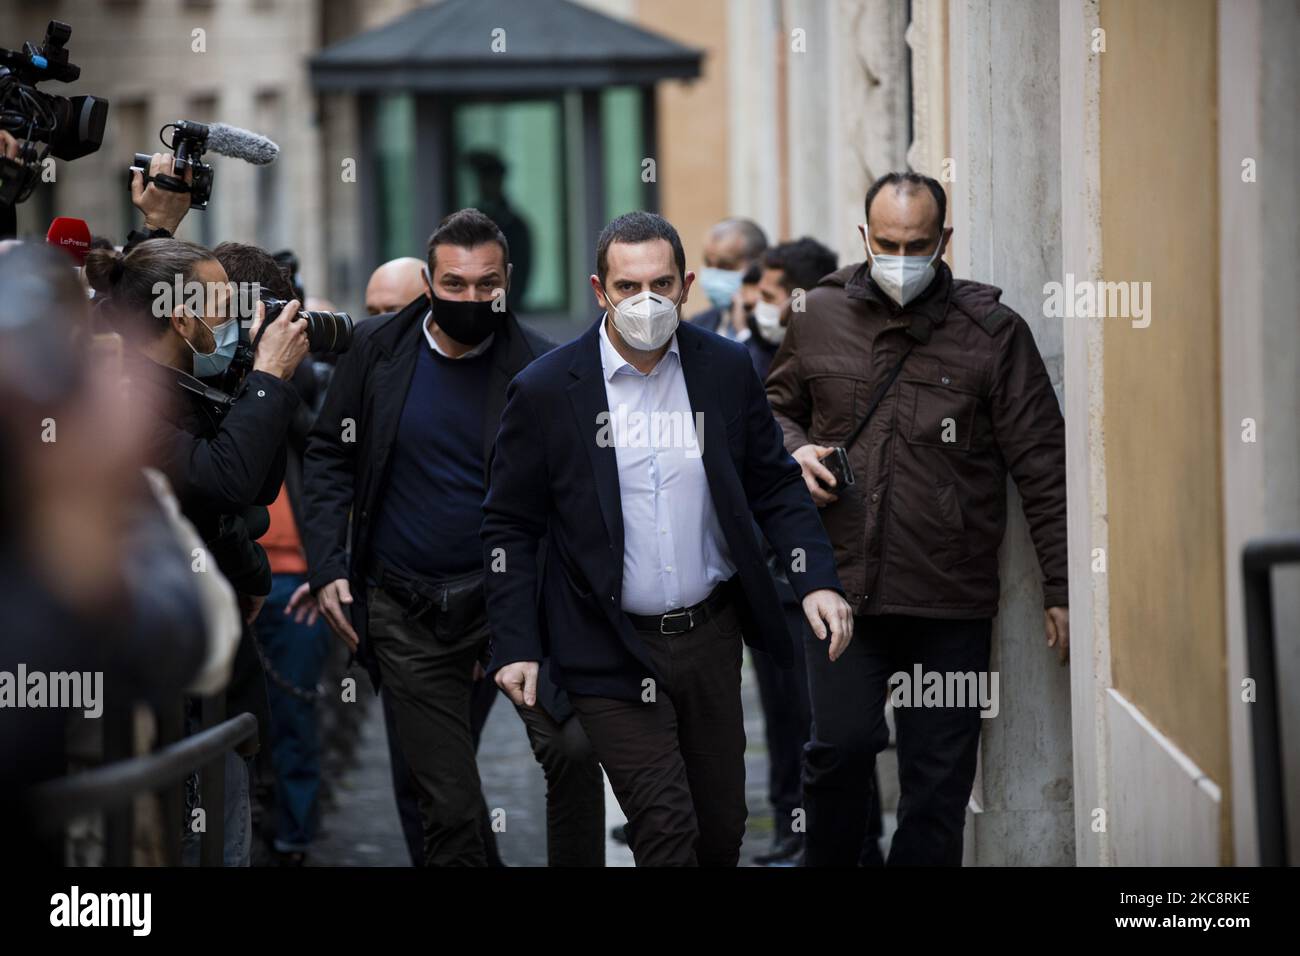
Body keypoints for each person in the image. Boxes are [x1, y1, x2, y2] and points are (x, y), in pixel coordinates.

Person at [483, 211, 852, 867]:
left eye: (660, 283)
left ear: (686, 286)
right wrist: (515, 644)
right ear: (600, 290)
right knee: (667, 832)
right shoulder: (546, 389)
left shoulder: (726, 369)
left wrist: (817, 579)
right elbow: (510, 525)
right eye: (628, 287)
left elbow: (772, 485)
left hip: (710, 639)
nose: (645, 301)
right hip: (607, 646)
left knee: (720, 834)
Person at [766, 171, 1069, 866]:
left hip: (948, 600)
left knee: (937, 784)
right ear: (865, 238)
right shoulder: (817, 312)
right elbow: (771, 411)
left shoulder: (992, 332)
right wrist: (795, 449)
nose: (903, 257)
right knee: (838, 751)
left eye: (920, 243)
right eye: (890, 243)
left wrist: (1062, 589)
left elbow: (1043, 466)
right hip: (841, 592)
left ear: (945, 241)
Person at [299, 208, 604, 867]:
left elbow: (568, 504)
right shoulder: (375, 348)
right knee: (448, 805)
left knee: (573, 749)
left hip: (514, 603)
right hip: (405, 614)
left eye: (487, 283)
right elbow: (327, 455)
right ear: (430, 282)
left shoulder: (543, 370)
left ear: (508, 281)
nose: (472, 298)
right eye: (456, 284)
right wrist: (326, 567)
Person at [84, 236, 311, 866]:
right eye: (221, 306)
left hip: (207, 682)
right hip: (167, 686)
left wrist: (251, 381)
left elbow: (249, 487)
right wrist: (266, 378)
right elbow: (223, 483)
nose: (235, 321)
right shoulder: (128, 395)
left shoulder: (186, 384)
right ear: (180, 317)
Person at [212, 241, 332, 866]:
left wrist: (327, 570)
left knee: (294, 726)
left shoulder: (295, 382)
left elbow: (327, 453)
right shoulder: (204, 380)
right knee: (228, 732)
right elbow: (227, 480)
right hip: (230, 580)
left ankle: (293, 841)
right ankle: (250, 837)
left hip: (295, 583)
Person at [690, 217, 768, 338]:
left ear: (757, 266)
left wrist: (743, 332)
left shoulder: (771, 326)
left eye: (725, 265)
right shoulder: (698, 323)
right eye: (708, 263)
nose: (713, 273)